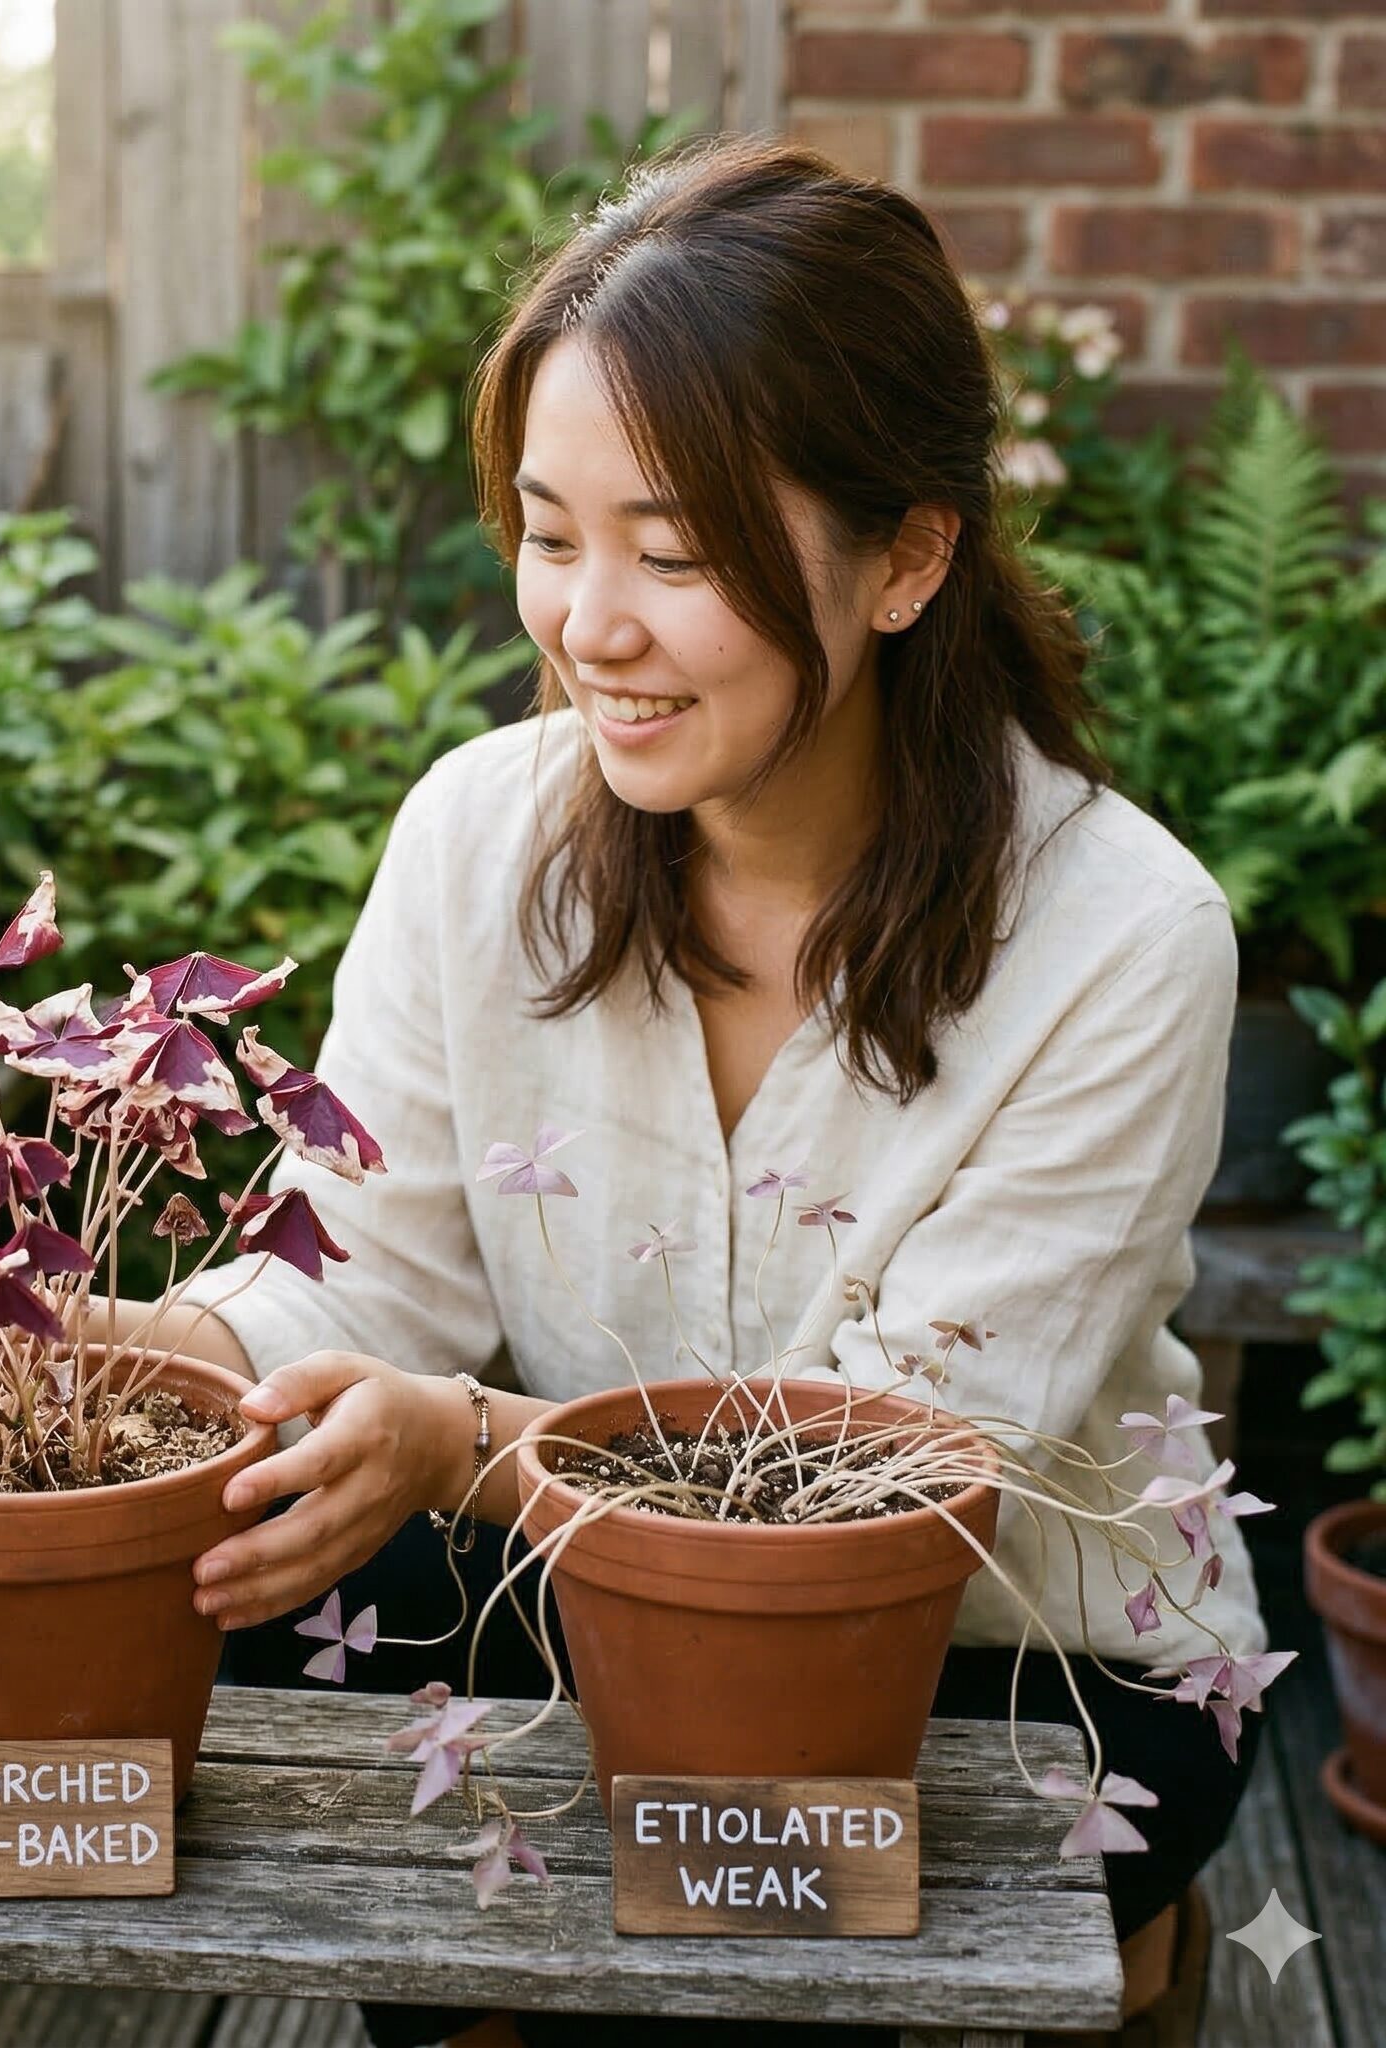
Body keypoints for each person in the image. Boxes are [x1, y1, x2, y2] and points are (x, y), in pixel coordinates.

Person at [131, 134, 1266, 2047]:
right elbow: (360, 1286)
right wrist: (109, 1348)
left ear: (909, 556)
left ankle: (1117, 1970)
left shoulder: (1124, 934)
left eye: (676, 553)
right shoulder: (479, 836)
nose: (589, 622)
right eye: (551, 533)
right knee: (303, 1571)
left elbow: (905, 1472)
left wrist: (471, 1450)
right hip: (605, 1605)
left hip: (1015, 1664)